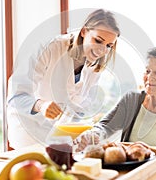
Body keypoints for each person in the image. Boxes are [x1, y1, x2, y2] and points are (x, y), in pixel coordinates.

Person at [7, 9, 121, 149]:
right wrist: (40, 105)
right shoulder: (50, 48)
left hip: (59, 137)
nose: (102, 50)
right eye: (98, 40)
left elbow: (80, 108)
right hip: (29, 132)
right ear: (84, 31)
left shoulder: (94, 65)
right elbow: (15, 96)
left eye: (109, 46)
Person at [74, 47, 156, 151]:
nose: (150, 78)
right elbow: (105, 126)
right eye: (147, 71)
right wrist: (93, 135)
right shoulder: (131, 100)